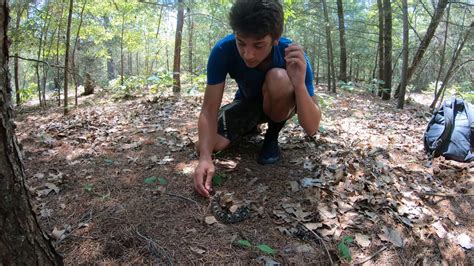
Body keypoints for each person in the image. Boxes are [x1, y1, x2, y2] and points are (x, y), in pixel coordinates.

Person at [194, 0, 321, 197]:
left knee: (279, 78)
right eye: (241, 42)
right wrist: (205, 157)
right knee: (210, 145)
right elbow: (209, 110)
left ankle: (271, 137)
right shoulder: (223, 50)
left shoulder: (292, 56)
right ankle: (250, 127)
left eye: (259, 45)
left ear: (275, 39)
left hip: (279, 103)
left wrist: (299, 84)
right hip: (248, 104)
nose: (248, 54)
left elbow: (312, 127)